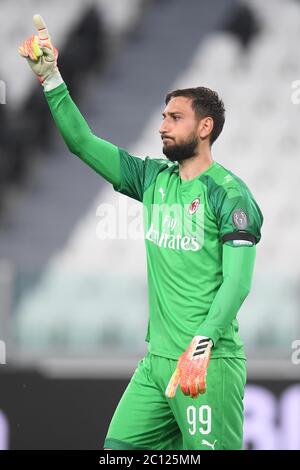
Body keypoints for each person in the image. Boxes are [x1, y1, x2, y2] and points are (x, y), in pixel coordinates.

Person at [19, 15, 263, 451]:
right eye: (163, 116)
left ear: (205, 128)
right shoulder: (153, 178)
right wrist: (51, 77)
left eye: (175, 117)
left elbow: (238, 282)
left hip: (207, 363)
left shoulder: (230, 195)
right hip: (157, 365)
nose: (162, 125)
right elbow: (82, 143)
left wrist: (201, 345)